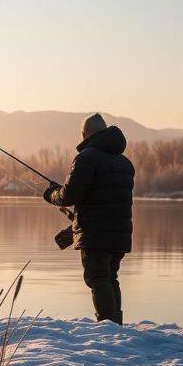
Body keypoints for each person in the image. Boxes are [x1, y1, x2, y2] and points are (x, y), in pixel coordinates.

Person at [43, 113, 134, 325]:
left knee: (97, 277)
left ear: (86, 134)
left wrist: (52, 194)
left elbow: (69, 196)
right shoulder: (125, 163)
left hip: (95, 234)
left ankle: (108, 328)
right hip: (120, 234)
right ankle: (115, 326)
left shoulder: (87, 158)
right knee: (110, 277)